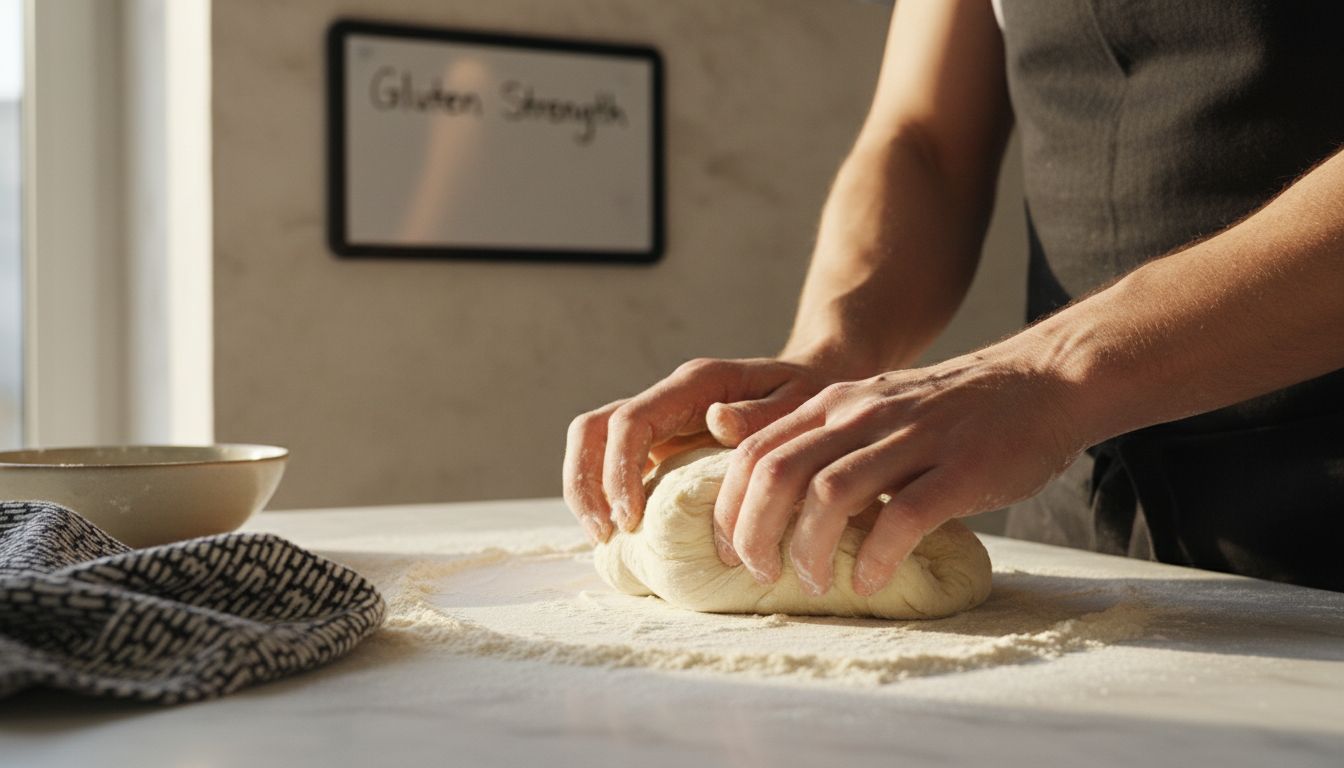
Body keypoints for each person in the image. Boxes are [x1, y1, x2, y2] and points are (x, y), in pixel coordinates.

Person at [563, 0, 1344, 594]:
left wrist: (1048, 376)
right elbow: (924, 140)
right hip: (1083, 494)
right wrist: (828, 356)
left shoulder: (1051, 383)